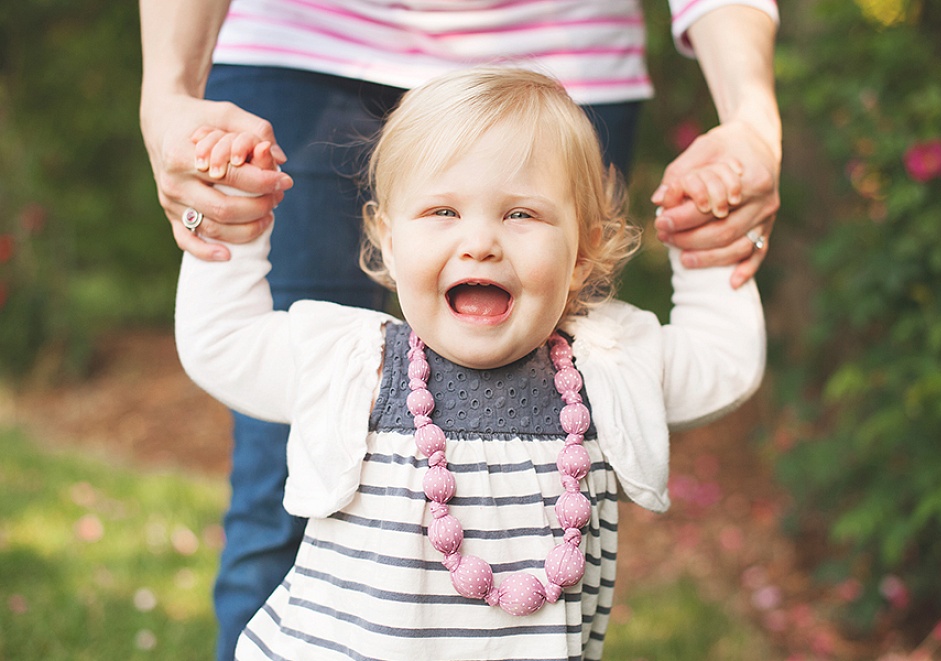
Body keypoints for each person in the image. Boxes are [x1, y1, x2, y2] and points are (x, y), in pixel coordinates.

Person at [140, 2, 780, 657]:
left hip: (572, 38)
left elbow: (722, 362)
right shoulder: (351, 362)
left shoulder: (606, 367)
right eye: (442, 210)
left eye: (521, 213)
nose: (480, 243)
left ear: (583, 250)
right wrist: (231, 227)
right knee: (264, 502)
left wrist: (711, 229)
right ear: (387, 240)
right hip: (308, 41)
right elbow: (223, 343)